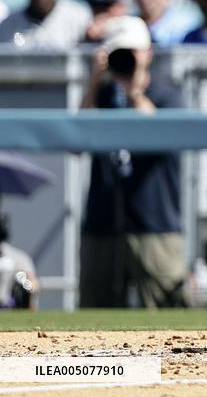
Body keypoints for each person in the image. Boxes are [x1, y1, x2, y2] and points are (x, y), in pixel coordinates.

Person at [79, 16, 189, 308]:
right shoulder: (102, 95)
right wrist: (94, 81)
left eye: (133, 52)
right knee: (95, 313)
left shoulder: (167, 94)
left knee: (168, 312)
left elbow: (162, 135)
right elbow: (76, 139)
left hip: (154, 222)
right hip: (103, 221)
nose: (127, 59)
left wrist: (134, 91)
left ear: (148, 54)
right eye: (120, 52)